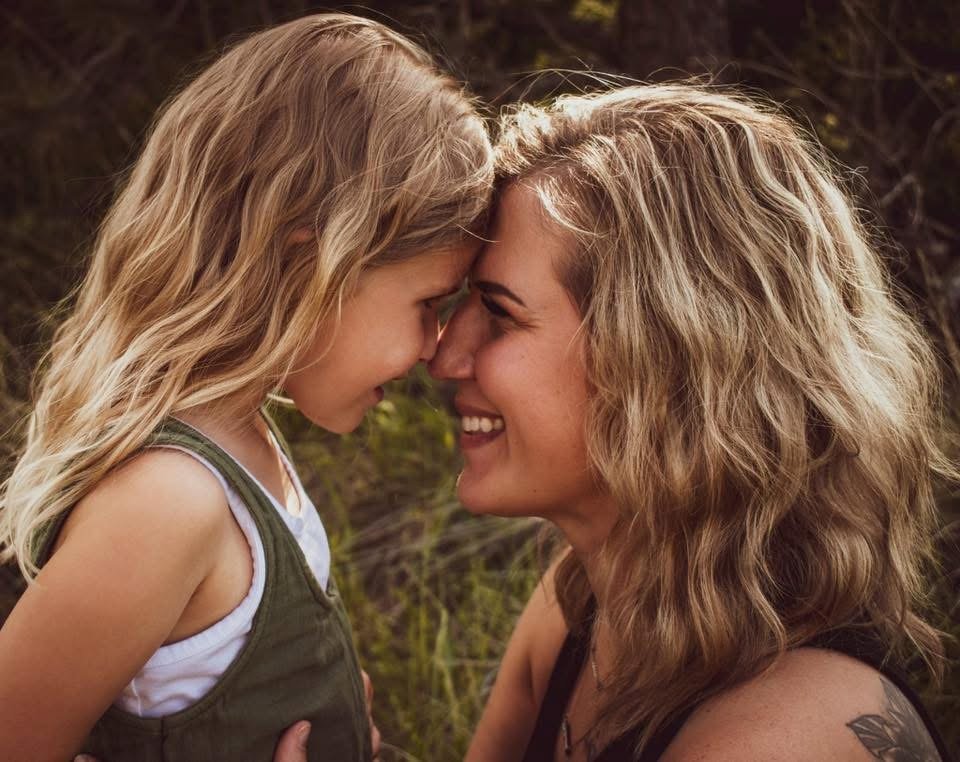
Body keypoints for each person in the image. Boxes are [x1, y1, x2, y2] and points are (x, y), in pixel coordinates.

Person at [271, 83, 955, 761]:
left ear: (662, 357)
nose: (445, 357)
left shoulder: (785, 737)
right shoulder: (577, 608)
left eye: (500, 312)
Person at [0, 12, 492, 762]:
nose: (434, 351)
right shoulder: (168, 501)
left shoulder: (245, 440)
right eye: (427, 305)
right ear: (309, 267)